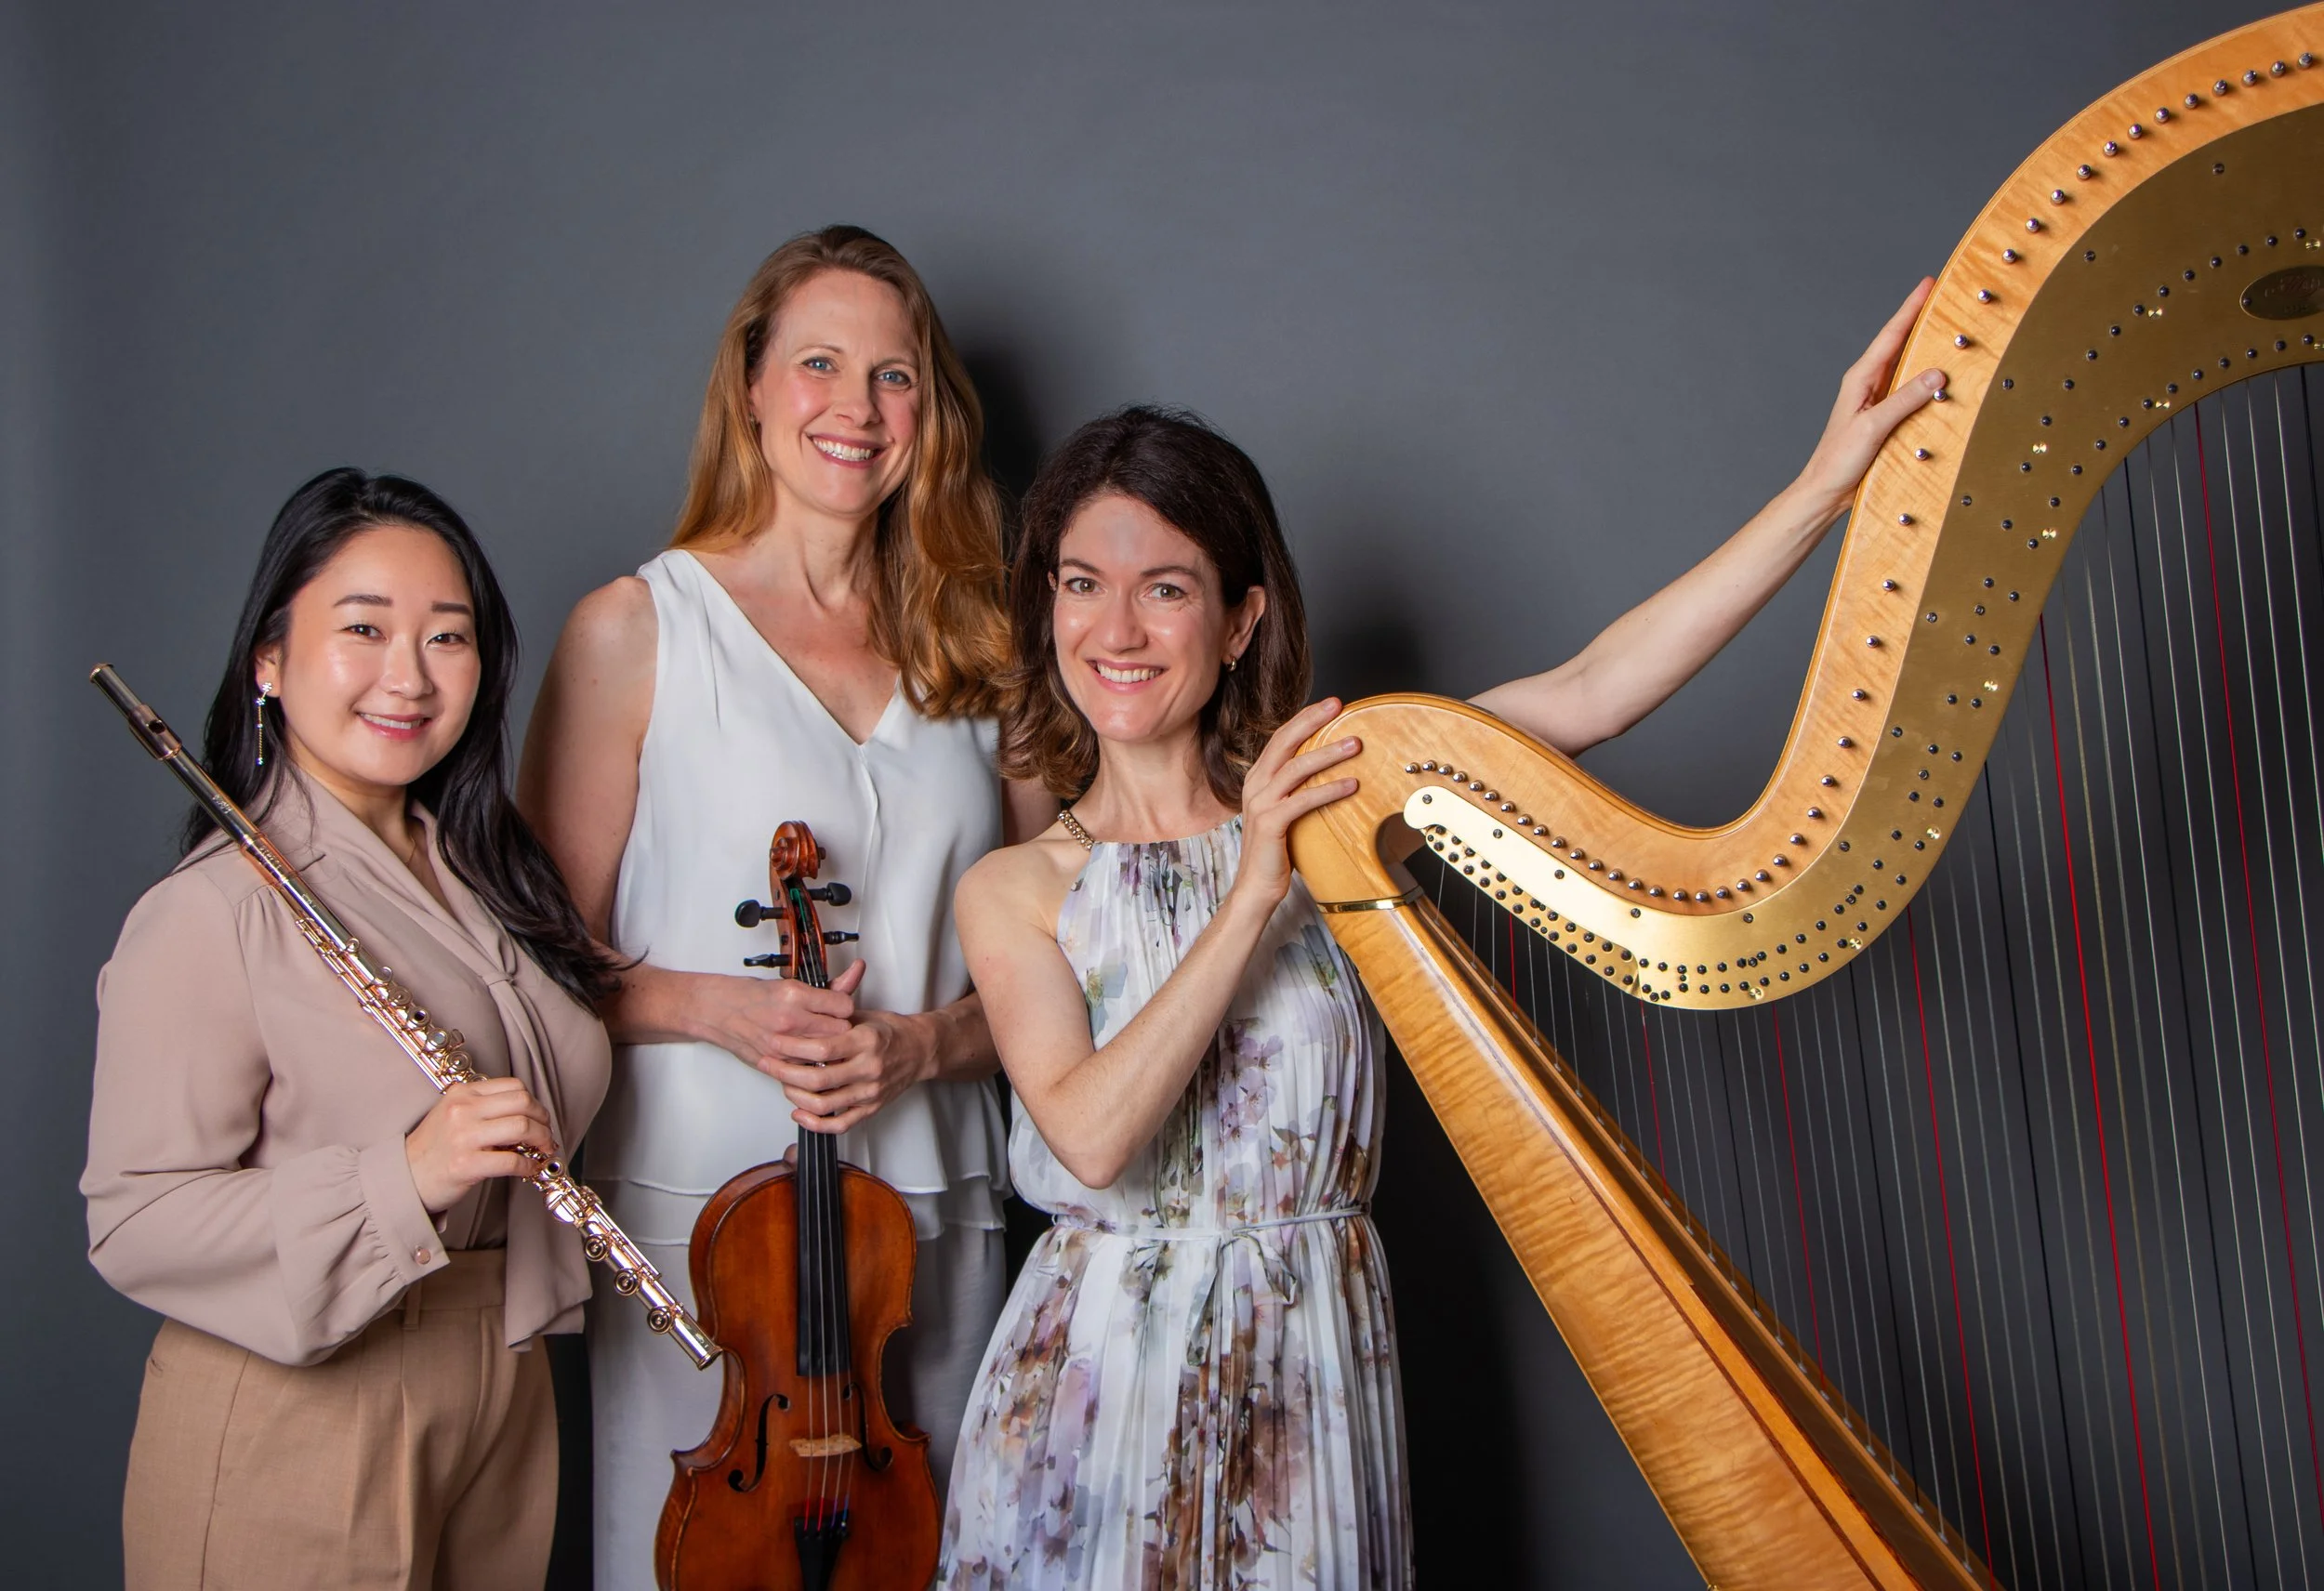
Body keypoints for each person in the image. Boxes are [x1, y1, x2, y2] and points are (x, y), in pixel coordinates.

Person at [940, 283, 1946, 1588]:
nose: (1114, 631)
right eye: (1082, 584)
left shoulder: (1341, 800)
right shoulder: (1017, 886)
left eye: (1165, 588)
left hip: (1305, 1372)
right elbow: (1088, 1134)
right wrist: (1254, 884)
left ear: (1240, 620)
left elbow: (1594, 690)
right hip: (1089, 1392)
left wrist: (1826, 483)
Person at [520, 224, 1053, 1584]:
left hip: (929, 1204)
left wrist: (922, 1047)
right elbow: (531, 964)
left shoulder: (981, 645)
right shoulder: (634, 631)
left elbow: (1061, 960)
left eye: (894, 376)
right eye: (819, 363)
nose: (856, 408)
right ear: (750, 385)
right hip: (703, 1218)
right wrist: (722, 1010)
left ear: (928, 413)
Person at [84, 468, 619, 1590]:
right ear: (269, 661)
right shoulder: (214, 909)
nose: (409, 676)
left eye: (448, 636)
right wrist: (404, 1171)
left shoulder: (489, 879)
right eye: (364, 628)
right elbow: (135, 1217)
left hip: (503, 1388)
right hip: (302, 1402)